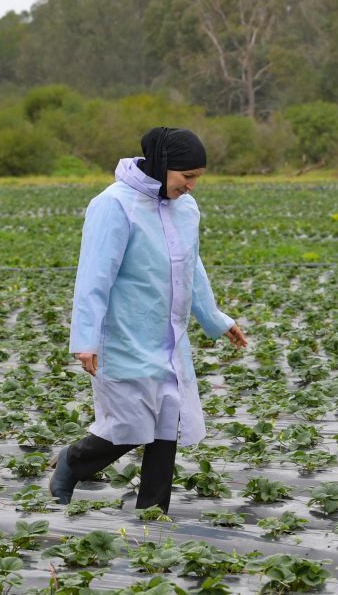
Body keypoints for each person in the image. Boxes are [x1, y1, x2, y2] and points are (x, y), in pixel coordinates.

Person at [50, 126, 247, 513]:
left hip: (168, 335)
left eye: (196, 178)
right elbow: (94, 275)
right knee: (128, 424)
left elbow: (192, 267)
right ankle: (72, 463)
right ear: (162, 166)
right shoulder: (114, 205)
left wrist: (216, 319)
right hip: (123, 333)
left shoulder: (185, 208)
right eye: (186, 176)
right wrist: (85, 338)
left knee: (165, 425)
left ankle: (152, 512)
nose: (191, 186)